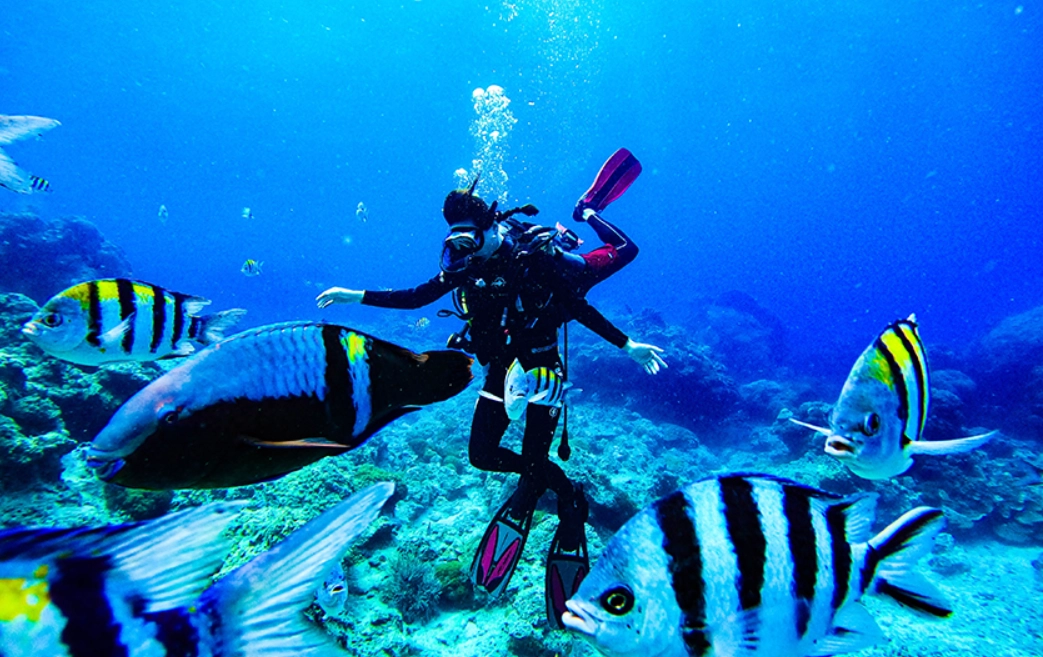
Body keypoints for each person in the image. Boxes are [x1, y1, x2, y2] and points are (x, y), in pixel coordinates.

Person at [317, 176, 663, 627]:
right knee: (482, 455)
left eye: (468, 236)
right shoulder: (464, 266)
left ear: (490, 228)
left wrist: (627, 345)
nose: (461, 247)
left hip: (541, 369)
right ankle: (562, 491)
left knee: (622, 255)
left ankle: (590, 211)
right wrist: (354, 296)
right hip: (504, 369)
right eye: (454, 238)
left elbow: (577, 308)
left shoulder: (533, 260)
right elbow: (418, 296)